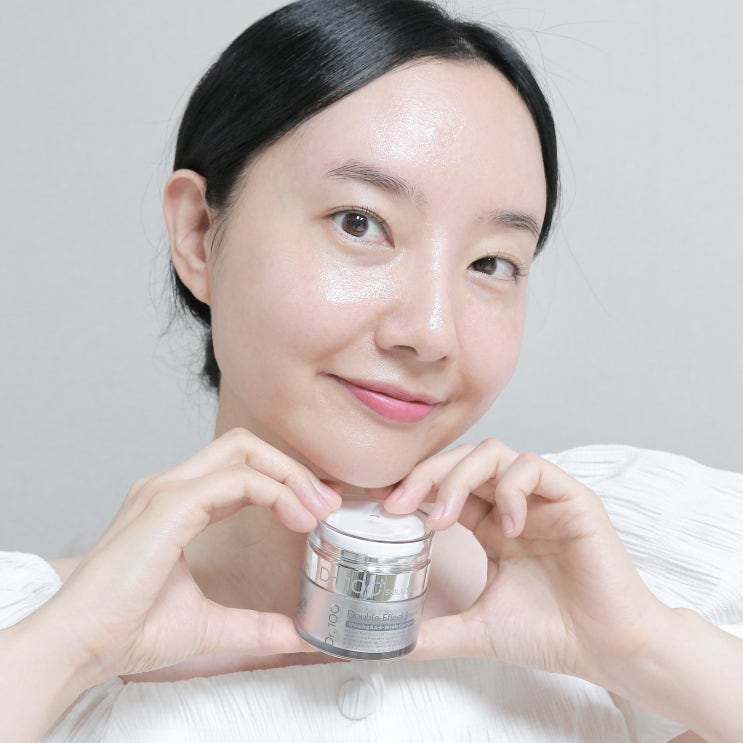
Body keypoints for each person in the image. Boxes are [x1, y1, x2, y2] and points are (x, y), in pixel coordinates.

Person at [1, 0, 742, 741]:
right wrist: (67, 650)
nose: (432, 332)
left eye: (491, 263)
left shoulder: (625, 572)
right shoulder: (33, 633)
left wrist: (643, 649)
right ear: (198, 233)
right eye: (359, 222)